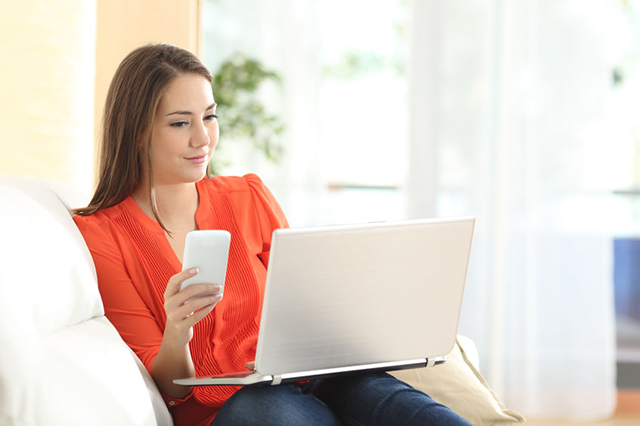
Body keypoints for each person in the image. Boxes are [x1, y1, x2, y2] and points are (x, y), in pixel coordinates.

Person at [73, 43, 471, 426]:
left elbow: (306, 301)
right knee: (263, 411)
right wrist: (178, 333)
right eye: (181, 123)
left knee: (385, 397)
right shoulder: (102, 236)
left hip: (309, 378)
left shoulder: (247, 195)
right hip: (231, 408)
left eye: (209, 117)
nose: (203, 138)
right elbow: (168, 387)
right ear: (137, 132)